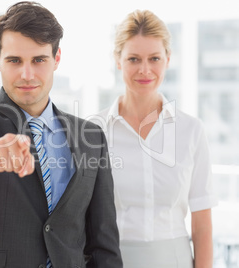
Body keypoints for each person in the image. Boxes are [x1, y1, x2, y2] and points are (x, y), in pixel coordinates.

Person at [0, 2, 122, 267]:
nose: (27, 74)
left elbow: (104, 242)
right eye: (14, 60)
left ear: (56, 59)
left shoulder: (90, 136)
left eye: (38, 60)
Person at [93, 10, 218, 268]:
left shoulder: (191, 130)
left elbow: (202, 224)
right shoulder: (95, 130)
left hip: (174, 260)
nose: (144, 69)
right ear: (118, 60)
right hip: (111, 260)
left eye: (154, 58)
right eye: (134, 59)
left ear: (168, 60)